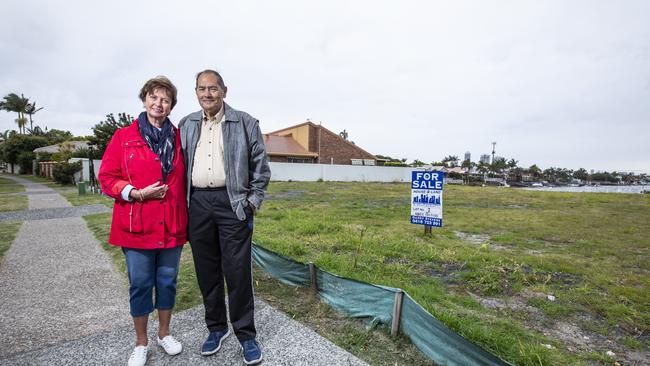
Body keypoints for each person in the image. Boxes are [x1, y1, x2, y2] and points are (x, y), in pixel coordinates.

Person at [178, 69, 270, 365]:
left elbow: (260, 166)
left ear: (224, 91)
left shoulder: (245, 122)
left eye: (213, 88)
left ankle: (246, 335)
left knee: (237, 271)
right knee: (207, 272)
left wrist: (252, 203)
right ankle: (216, 328)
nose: (208, 94)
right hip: (198, 204)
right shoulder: (186, 124)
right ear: (196, 92)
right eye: (202, 89)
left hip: (233, 202)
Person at [98, 76, 188, 366]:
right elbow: (106, 178)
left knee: (167, 282)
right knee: (140, 284)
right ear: (144, 99)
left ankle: (164, 334)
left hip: (171, 226)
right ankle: (141, 342)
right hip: (136, 226)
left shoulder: (179, 138)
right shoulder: (123, 137)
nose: (158, 103)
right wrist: (135, 193)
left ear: (171, 106)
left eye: (165, 99)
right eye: (153, 97)